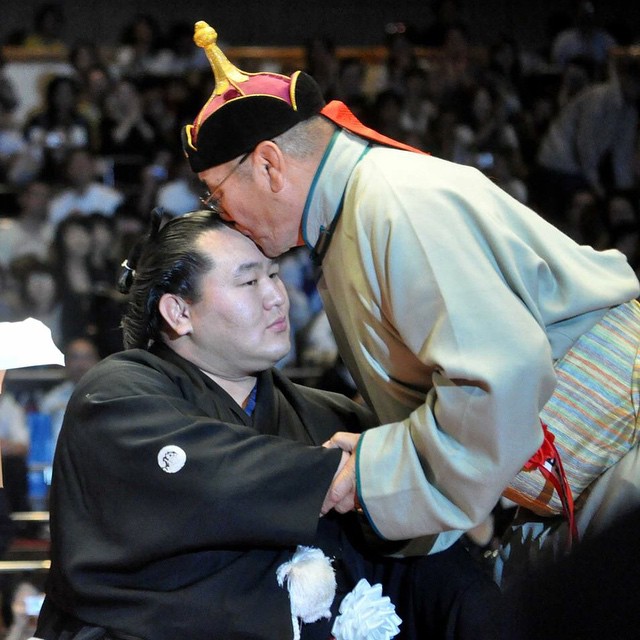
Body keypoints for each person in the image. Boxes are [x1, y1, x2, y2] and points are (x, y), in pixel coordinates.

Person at [182, 22, 640, 561]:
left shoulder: (393, 203)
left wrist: (370, 472)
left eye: (216, 194)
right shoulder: (352, 215)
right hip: (579, 483)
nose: (222, 216)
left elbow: (497, 376)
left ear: (268, 165)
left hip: (620, 456)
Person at [33, 210, 502, 640]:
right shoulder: (115, 395)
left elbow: (411, 558)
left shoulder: (330, 416)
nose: (277, 297)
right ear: (179, 312)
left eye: (274, 275)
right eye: (248, 281)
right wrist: (356, 472)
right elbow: (217, 478)